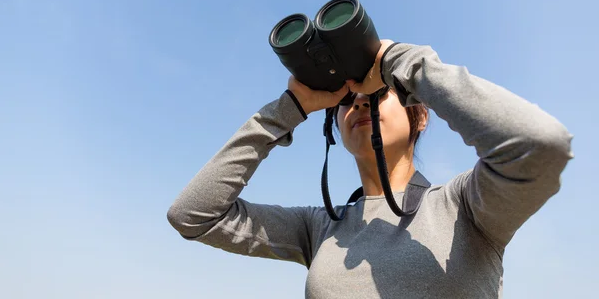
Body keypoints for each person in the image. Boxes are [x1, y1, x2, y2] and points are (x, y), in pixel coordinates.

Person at [167, 40, 573, 298]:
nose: (359, 104)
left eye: (379, 94)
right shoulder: (321, 228)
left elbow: (539, 145)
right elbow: (193, 216)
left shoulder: (465, 206)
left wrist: (398, 62)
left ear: (421, 116)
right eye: (347, 102)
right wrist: (286, 111)